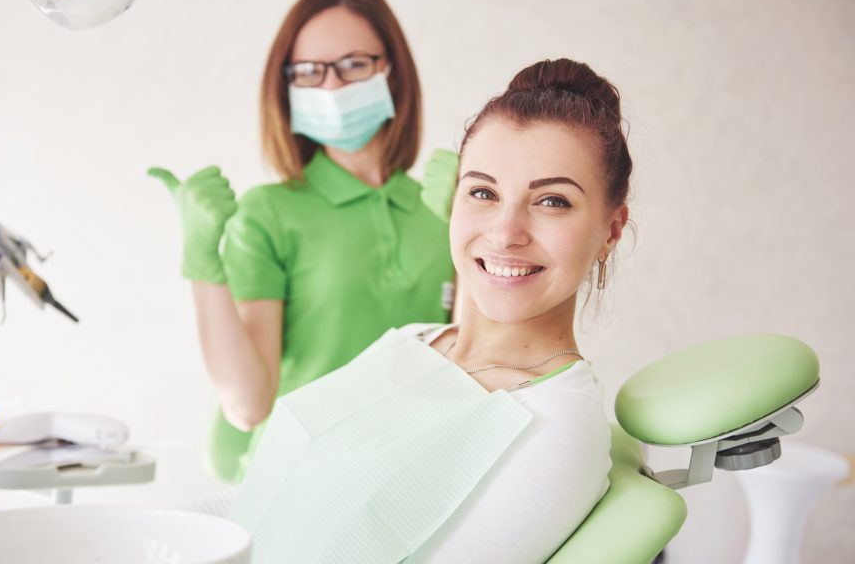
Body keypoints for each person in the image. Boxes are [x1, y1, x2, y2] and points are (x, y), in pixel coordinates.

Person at [227, 58, 633, 563]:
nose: (505, 233)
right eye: (483, 192)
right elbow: (258, 500)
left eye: (552, 201)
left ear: (611, 230)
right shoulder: (418, 338)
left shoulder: (556, 425)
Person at [148, 0, 454, 482]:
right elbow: (248, 407)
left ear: (391, 71)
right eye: (309, 71)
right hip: (299, 480)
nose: (331, 86)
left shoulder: (441, 209)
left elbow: (476, 370)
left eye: (353, 64)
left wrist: (481, 223)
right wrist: (203, 260)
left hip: (414, 476)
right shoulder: (269, 213)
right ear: (287, 87)